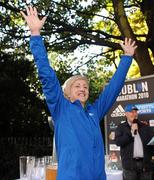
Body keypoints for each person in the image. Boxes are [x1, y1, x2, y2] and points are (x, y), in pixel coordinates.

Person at [21, 6, 137, 180]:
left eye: (85, 86)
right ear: (67, 92)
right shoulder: (60, 108)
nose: (83, 88)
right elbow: (46, 74)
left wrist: (127, 58)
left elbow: (112, 89)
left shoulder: (94, 112)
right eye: (77, 86)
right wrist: (36, 34)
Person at [115, 104, 154, 180]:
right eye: (131, 112)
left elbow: (152, 143)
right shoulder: (121, 127)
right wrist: (131, 133)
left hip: (145, 165)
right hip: (129, 166)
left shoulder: (145, 126)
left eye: (135, 112)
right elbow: (118, 142)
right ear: (126, 114)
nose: (134, 114)